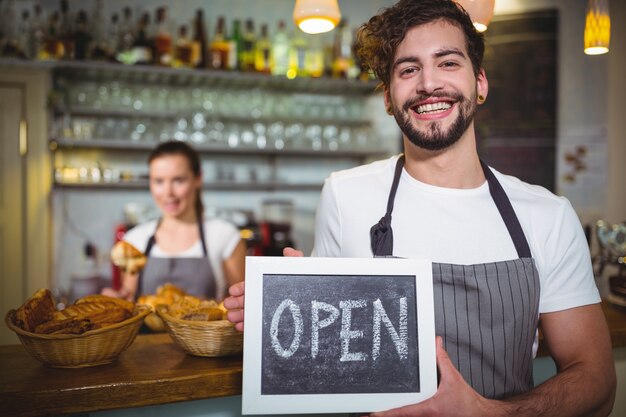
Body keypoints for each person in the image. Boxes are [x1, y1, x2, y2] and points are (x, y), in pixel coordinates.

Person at [225, 0, 616, 415]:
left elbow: (596, 379)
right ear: (389, 99)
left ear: (480, 82)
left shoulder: (547, 215)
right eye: (408, 69)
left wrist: (492, 413)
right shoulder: (345, 196)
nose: (429, 83)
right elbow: (332, 366)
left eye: (447, 63)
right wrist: (289, 320)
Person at [102, 140, 245, 301]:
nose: (168, 192)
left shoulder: (225, 236)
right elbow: (128, 300)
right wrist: (115, 301)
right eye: (159, 181)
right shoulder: (135, 240)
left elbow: (241, 303)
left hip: (205, 327)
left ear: (198, 179)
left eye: (178, 180)